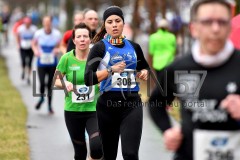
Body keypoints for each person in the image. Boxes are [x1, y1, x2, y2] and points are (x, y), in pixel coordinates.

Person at [148, 0, 240, 160]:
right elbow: (156, 103)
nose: (215, 28)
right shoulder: (178, 68)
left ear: (230, 27)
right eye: (207, 22)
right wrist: (168, 130)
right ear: (194, 28)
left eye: (222, 22)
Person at [84, 6, 149, 160]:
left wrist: (145, 71)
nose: (114, 25)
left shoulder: (134, 47)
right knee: (109, 155)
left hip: (131, 105)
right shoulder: (99, 48)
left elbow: (144, 66)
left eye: (117, 21)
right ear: (104, 25)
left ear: (123, 24)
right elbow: (88, 79)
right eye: (110, 22)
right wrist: (110, 70)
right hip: (107, 107)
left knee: (130, 154)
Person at [54, 23, 102, 160]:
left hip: (94, 110)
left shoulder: (97, 58)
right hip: (72, 111)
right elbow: (56, 80)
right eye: (79, 36)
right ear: (74, 40)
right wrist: (66, 83)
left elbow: (106, 76)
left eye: (85, 36)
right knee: (80, 152)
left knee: (97, 148)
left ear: (90, 39)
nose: (82, 39)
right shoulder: (67, 59)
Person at [32, 15, 61, 114]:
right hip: (41, 62)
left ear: (51, 23)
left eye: (48, 22)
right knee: (41, 83)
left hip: (52, 63)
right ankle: (41, 98)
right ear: (43, 23)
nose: (47, 24)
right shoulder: (38, 33)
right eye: (45, 22)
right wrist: (35, 51)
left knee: (50, 85)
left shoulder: (56, 34)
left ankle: (49, 106)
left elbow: (59, 45)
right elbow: (33, 44)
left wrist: (56, 49)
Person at [16, 16, 37, 84]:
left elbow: (36, 38)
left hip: (31, 48)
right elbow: (17, 36)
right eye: (26, 23)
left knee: (30, 63)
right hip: (23, 47)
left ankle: (28, 77)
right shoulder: (21, 28)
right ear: (24, 23)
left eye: (28, 23)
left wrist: (35, 46)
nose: (27, 25)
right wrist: (18, 44)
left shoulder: (34, 29)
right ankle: (23, 71)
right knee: (23, 61)